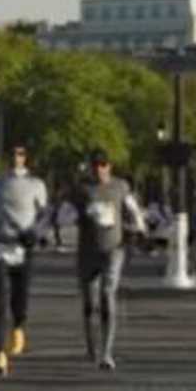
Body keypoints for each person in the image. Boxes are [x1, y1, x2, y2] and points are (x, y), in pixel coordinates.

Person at [66, 148, 143, 370]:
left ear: (109, 166)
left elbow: (133, 210)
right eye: (95, 165)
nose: (99, 169)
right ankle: (91, 347)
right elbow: (66, 212)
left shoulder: (120, 187)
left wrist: (138, 228)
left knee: (108, 294)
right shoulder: (81, 190)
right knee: (90, 303)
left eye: (102, 164)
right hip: (87, 252)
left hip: (113, 249)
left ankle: (107, 353)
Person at [0, 144, 51, 375]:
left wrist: (36, 233)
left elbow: (45, 215)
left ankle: (19, 325)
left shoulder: (36, 185)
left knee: (20, 296)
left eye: (19, 154)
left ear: (26, 158)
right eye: (11, 153)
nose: (15, 157)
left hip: (23, 247)